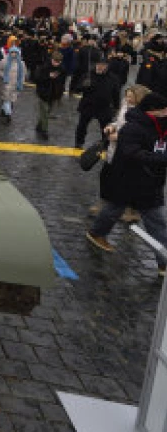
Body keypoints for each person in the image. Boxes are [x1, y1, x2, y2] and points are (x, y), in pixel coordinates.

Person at [88, 92, 167, 277]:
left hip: (150, 181)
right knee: (152, 220)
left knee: (118, 209)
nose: (166, 112)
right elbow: (132, 153)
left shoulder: (161, 125)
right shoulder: (132, 128)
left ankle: (96, 232)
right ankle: (164, 262)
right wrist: (161, 159)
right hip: (132, 179)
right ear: (152, 111)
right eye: (163, 110)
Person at [75, 58, 120, 149]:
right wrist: (84, 85)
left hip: (104, 107)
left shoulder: (113, 78)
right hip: (88, 105)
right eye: (99, 64)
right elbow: (77, 89)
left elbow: (116, 94)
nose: (100, 67)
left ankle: (106, 144)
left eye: (103, 65)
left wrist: (116, 107)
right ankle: (79, 142)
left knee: (106, 127)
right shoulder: (87, 75)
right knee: (82, 126)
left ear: (107, 66)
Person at [34, 51, 67, 140]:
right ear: (51, 59)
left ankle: (39, 125)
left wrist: (60, 94)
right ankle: (44, 131)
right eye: (54, 61)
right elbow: (37, 78)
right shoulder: (44, 67)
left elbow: (62, 82)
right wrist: (48, 76)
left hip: (54, 94)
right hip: (43, 93)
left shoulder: (62, 69)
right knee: (45, 111)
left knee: (47, 111)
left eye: (58, 62)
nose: (56, 63)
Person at [0, 43, 26, 122]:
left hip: (16, 85)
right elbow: (0, 69)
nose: (14, 54)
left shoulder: (21, 63)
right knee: (6, 99)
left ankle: (5, 111)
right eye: (12, 52)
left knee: (11, 100)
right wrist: (4, 76)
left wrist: (21, 82)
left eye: (15, 52)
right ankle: (8, 114)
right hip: (6, 84)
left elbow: (23, 73)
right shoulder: (4, 61)